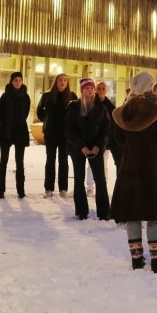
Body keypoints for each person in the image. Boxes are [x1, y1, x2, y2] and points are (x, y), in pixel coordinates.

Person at [111, 74, 157, 273]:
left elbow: (118, 140)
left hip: (130, 170)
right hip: (154, 170)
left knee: (132, 214)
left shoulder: (121, 113)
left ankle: (137, 258)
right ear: (150, 88)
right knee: (153, 214)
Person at [63, 78, 110, 220]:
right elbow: (69, 130)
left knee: (100, 179)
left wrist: (98, 146)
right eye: (87, 88)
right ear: (82, 91)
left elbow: (105, 129)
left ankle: (104, 211)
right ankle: (82, 211)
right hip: (78, 148)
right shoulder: (74, 107)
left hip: (96, 147)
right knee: (79, 179)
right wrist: (81, 146)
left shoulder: (101, 107)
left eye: (92, 88)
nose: (90, 90)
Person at [37, 74, 75, 198]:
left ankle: (63, 188)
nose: (62, 82)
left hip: (66, 134)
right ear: (56, 82)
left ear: (67, 82)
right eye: (60, 80)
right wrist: (47, 120)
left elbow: (76, 113)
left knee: (63, 160)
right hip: (51, 133)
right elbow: (39, 111)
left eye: (65, 80)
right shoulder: (47, 95)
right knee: (50, 160)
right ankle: (48, 188)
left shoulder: (72, 96)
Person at [0, 72, 30, 199]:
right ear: (11, 81)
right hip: (6, 131)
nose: (18, 82)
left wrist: (18, 123)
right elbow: (0, 112)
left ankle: (21, 190)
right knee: (3, 161)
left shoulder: (25, 96)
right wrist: (7, 124)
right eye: (15, 80)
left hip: (20, 131)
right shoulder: (5, 96)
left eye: (20, 80)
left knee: (20, 162)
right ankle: (0, 190)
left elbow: (25, 113)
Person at [95, 81, 118, 181]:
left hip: (105, 140)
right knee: (91, 165)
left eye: (103, 89)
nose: (100, 91)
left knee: (104, 164)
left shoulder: (111, 106)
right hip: (93, 138)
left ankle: (103, 185)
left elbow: (113, 124)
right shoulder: (91, 103)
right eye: (99, 88)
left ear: (106, 90)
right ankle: (89, 188)